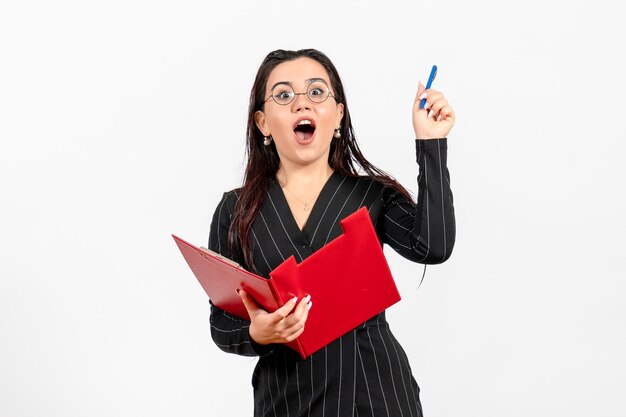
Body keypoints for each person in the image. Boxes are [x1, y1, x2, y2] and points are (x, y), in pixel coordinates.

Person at [207, 48, 456, 417]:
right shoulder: (236, 209)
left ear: (337, 115)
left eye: (317, 92)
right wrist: (259, 333)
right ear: (262, 122)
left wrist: (430, 143)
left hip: (377, 397)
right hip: (286, 402)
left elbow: (433, 246)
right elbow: (221, 322)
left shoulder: (373, 196)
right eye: (284, 95)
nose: (301, 104)